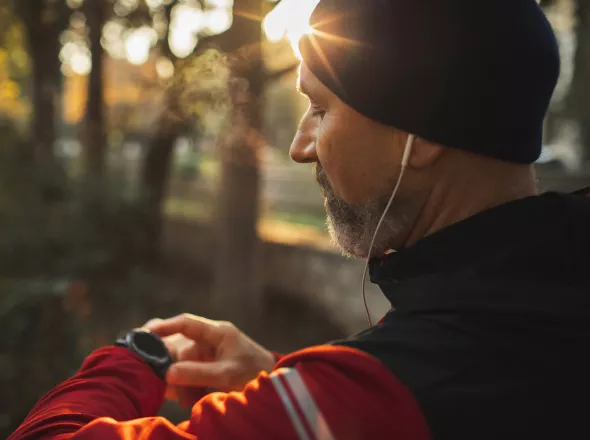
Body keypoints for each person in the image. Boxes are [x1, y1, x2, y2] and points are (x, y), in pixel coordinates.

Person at [10, 0, 590, 439]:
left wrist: (137, 356)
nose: (299, 145)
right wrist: (281, 379)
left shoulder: (384, 389)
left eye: (320, 109)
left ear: (423, 135)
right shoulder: (547, 302)